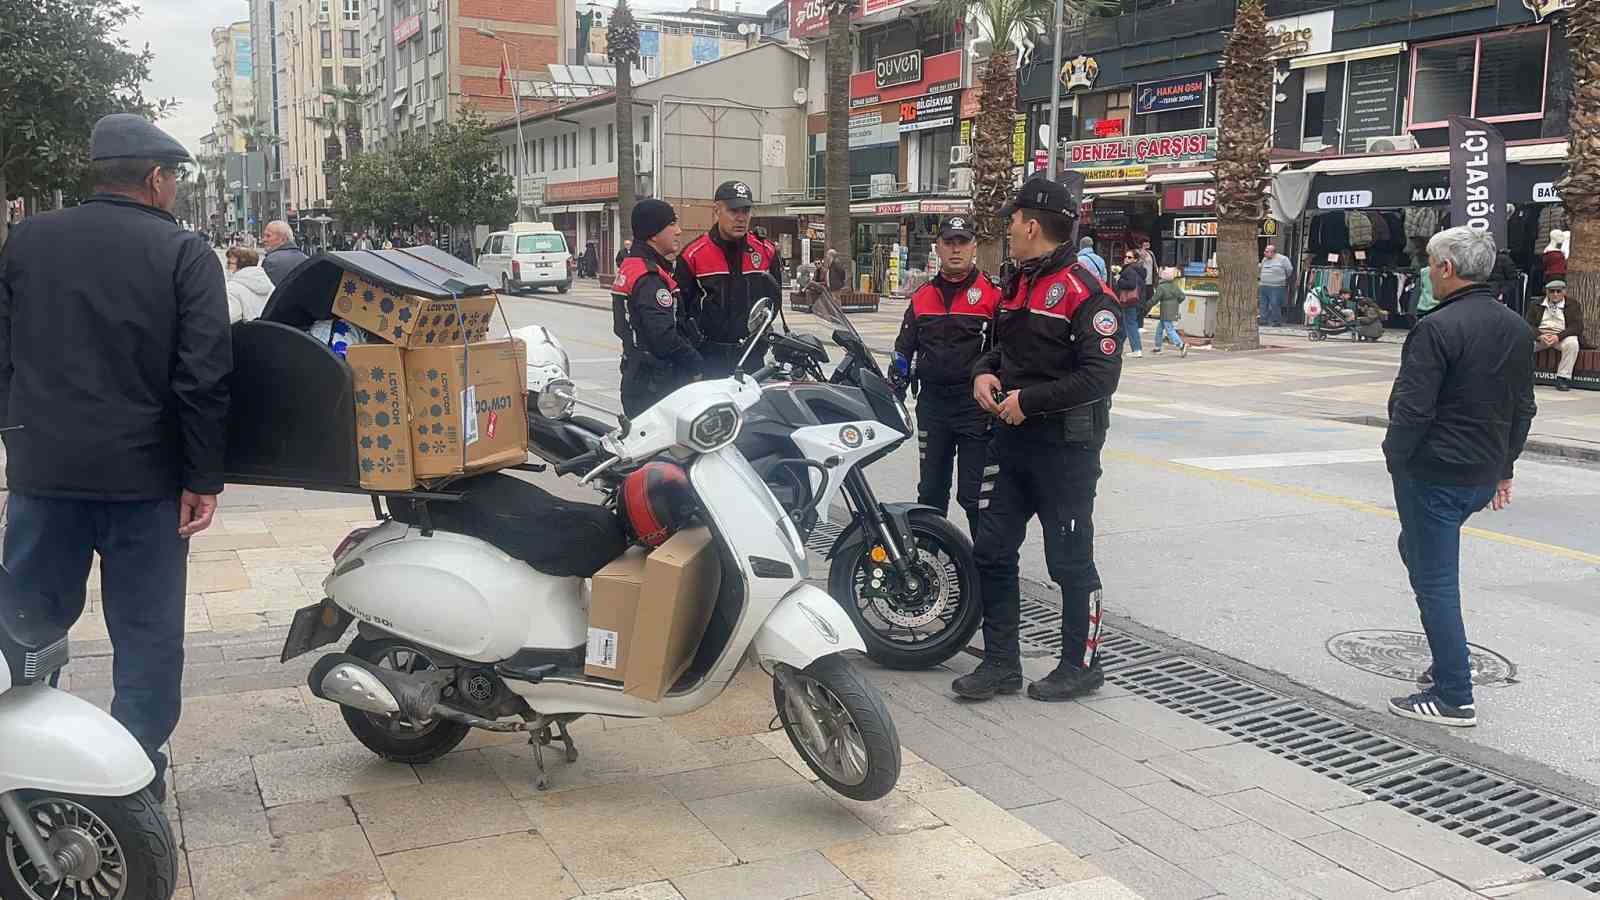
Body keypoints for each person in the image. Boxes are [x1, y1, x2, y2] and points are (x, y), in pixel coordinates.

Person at [0, 113, 231, 799]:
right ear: (156, 179)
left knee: (27, 624)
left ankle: (26, 765)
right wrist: (202, 478)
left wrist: (19, 439)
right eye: (177, 178)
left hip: (45, 478)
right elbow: (204, 377)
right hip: (146, 482)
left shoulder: (27, 243)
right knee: (148, 633)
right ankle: (136, 771)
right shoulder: (184, 253)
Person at [956, 174, 1122, 703]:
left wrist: (1029, 401)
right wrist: (983, 372)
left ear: (1031, 224)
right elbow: (1000, 349)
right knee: (992, 550)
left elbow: (1100, 378)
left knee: (1070, 561)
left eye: (1011, 221)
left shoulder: (1088, 294)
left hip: (1065, 452)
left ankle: (1081, 664)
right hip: (1011, 445)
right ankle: (1002, 663)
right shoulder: (1018, 283)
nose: (1006, 230)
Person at [1383, 226, 1536, 728]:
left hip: (1434, 472)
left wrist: (1396, 457)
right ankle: (1447, 660)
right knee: (1419, 551)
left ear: (1446, 269)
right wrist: (1504, 467)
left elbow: (1412, 409)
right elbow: (1523, 407)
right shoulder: (1515, 326)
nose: (1427, 270)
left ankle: (1454, 693)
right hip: (1478, 471)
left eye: (1430, 262)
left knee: (1436, 581)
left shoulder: (1438, 327)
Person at [889, 217, 1002, 534]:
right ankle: (930, 557)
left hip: (976, 409)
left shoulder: (992, 295)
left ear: (974, 247)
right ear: (937, 247)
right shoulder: (922, 296)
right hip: (933, 406)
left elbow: (1006, 351)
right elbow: (903, 349)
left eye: (962, 242)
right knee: (930, 492)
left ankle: (985, 567)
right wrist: (894, 383)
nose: (956, 249)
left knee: (975, 494)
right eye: (949, 242)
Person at [676, 180, 785, 377]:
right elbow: (681, 312)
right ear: (717, 211)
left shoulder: (766, 251)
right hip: (709, 358)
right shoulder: (693, 255)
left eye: (746, 211)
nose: (741, 218)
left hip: (752, 356)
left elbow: (774, 300)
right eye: (734, 211)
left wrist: (760, 337)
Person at [613, 198, 700, 416]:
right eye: (671, 224)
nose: (678, 231)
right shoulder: (650, 278)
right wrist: (696, 364)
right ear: (653, 233)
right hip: (656, 385)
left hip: (638, 375)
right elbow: (663, 338)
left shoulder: (632, 266)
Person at [1526, 280, 1585, 391]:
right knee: (1522, 344)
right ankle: (1524, 376)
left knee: (1572, 343)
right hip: (1541, 336)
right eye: (1552, 291)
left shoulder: (1573, 304)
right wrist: (1539, 336)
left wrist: (1558, 336)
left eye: (1559, 291)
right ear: (1547, 292)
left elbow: (1577, 326)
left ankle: (1563, 378)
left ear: (1564, 292)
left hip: (1561, 336)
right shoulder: (1536, 304)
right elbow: (1527, 324)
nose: (1555, 294)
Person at [225, 246, 273, 323]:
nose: (227, 267)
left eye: (230, 263)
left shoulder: (232, 288)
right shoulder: (269, 284)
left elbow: (229, 319)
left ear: (241, 264)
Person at [1115, 250, 1146, 357]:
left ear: (1135, 259)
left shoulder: (1130, 269)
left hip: (1130, 301)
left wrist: (1119, 280)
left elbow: (1131, 284)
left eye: (1129, 257)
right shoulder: (1138, 269)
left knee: (1131, 324)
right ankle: (1118, 347)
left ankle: (1136, 349)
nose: (1126, 258)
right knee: (1125, 324)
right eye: (1126, 256)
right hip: (1136, 300)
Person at [1150, 266, 1187, 356]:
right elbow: (1182, 296)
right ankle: (1157, 347)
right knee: (1160, 328)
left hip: (1165, 311)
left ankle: (1181, 345)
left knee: (1169, 329)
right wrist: (1176, 303)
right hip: (1173, 310)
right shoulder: (1175, 286)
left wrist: (1147, 305)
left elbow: (1155, 299)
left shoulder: (1161, 287)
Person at [261, 219, 310, 284]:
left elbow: (268, 290)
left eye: (268, 236)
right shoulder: (306, 259)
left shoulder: (271, 261)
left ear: (283, 239)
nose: (264, 240)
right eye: (264, 236)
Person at [1258, 244, 1293, 326]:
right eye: (1265, 251)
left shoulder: (1283, 259)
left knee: (1275, 304)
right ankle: (1263, 320)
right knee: (1263, 304)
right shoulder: (1264, 259)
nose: (1264, 253)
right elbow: (1261, 269)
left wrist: (1282, 278)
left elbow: (1289, 270)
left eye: (1266, 252)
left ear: (1273, 252)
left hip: (1276, 286)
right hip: (1264, 285)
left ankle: (1276, 321)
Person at [1136, 239, 1156, 309]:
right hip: (1142, 280)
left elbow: (1154, 265)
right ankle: (1142, 312)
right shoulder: (1137, 252)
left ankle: (1145, 311)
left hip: (1150, 280)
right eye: (1146, 243)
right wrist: (1142, 257)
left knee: (1151, 297)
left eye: (1148, 242)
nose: (1148, 244)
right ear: (1142, 244)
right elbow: (1137, 264)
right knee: (1142, 298)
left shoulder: (1151, 253)